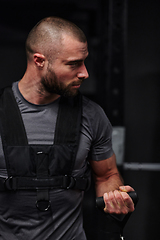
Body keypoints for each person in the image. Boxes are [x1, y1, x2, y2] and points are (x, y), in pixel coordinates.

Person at [0, 16, 135, 240]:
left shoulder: (91, 115)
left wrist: (115, 197)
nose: (84, 73)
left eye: (84, 61)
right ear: (39, 61)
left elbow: (107, 175)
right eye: (73, 64)